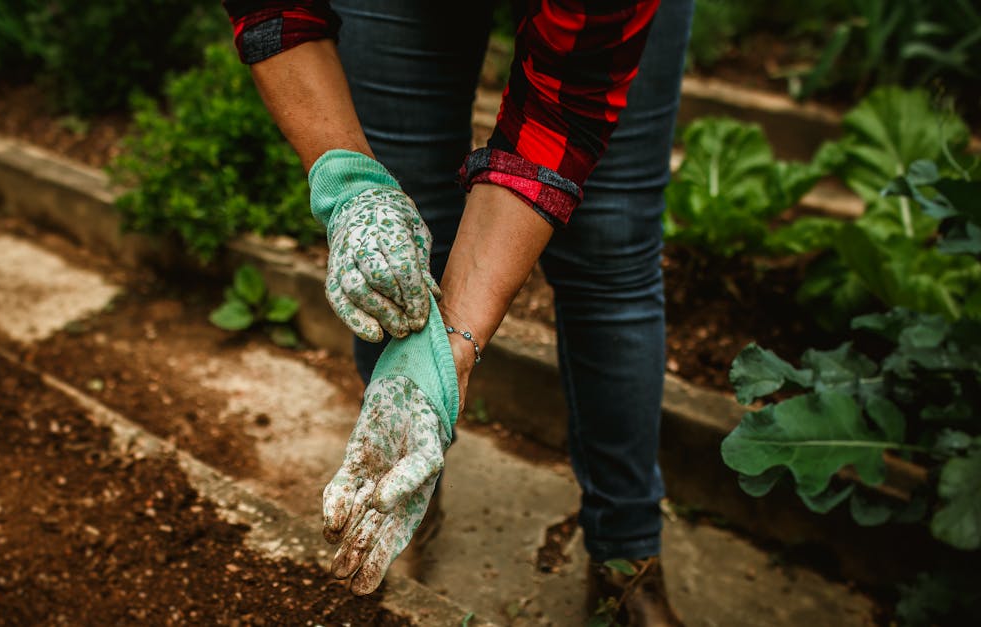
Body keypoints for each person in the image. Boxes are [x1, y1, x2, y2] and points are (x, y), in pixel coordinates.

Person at [221, 1, 693, 624]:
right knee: (394, 230)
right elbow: (275, 8)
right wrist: (353, 188)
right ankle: (407, 487)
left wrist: (452, 352)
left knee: (611, 241)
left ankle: (626, 554)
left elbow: (554, 116)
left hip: (592, 24)